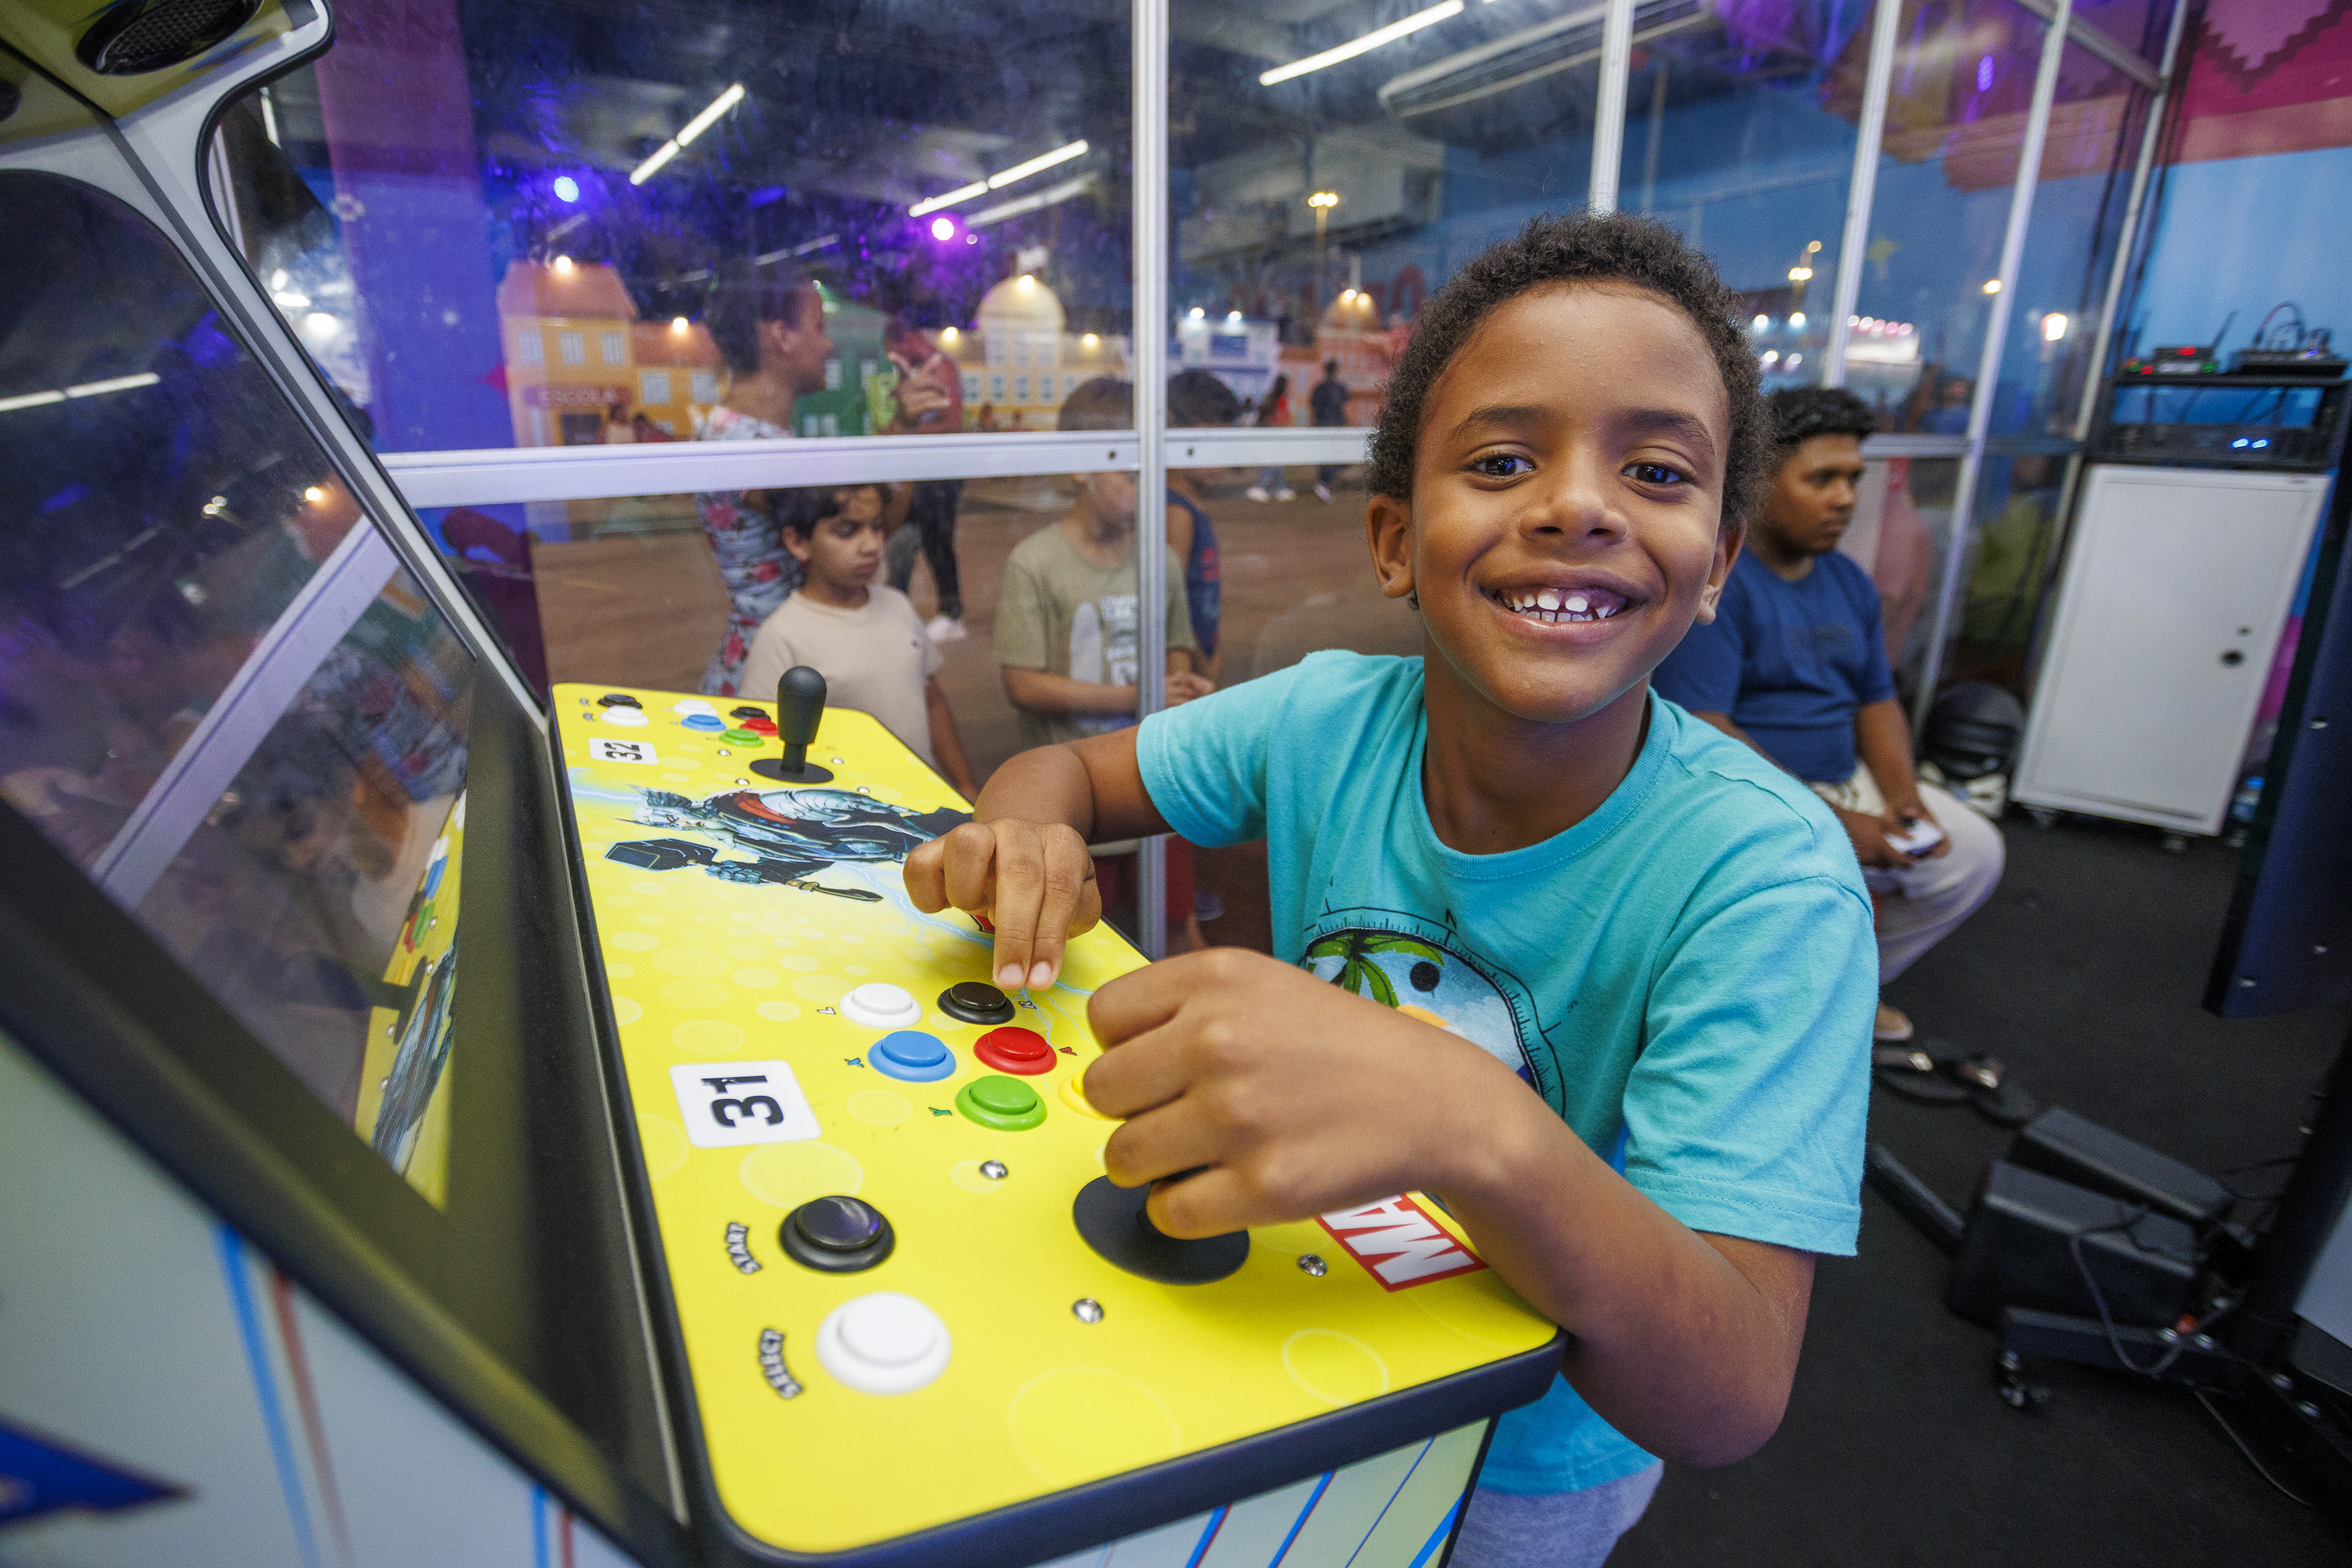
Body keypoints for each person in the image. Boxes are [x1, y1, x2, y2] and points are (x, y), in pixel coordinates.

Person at [911, 213, 1873, 1567]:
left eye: (1656, 469)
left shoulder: (1768, 879)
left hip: (1527, 1460)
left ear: (1714, 565)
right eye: (1499, 460)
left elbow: (1725, 1393)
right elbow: (1064, 774)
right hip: (1293, 1337)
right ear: (1392, 536)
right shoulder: (1324, 718)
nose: (1578, 503)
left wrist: (1475, 1126)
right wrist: (1026, 836)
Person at [1652, 386, 2004, 1046]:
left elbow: (1876, 698)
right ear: (1757, 481)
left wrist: (1903, 802)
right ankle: (1803, 991)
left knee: (1974, 852)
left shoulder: (1848, 580)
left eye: (1852, 479)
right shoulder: (1719, 583)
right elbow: (1704, 729)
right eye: (1822, 479)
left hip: (1846, 780)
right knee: (1810, 874)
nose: (1845, 497)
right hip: (1747, 789)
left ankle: (1843, 987)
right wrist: (1835, 822)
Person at [995, 376, 1216, 951]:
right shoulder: (1035, 563)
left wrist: (1183, 684)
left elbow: (1176, 644)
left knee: (1168, 928)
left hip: (1154, 792)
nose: (1145, 489)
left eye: (1151, 473)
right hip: (1077, 808)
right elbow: (1023, 684)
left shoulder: (1160, 558)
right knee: (1078, 940)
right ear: (1079, 470)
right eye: (1128, 472)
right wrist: (1139, 697)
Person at [740, 485, 978, 800]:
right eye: (846, 532)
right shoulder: (783, 634)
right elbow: (762, 741)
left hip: (922, 798)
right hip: (848, 813)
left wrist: (964, 785)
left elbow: (930, 697)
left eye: (877, 527)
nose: (871, 546)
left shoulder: (898, 605)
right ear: (798, 542)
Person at [693, 257, 834, 697]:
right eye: (819, 327)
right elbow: (843, 532)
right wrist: (903, 433)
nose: (829, 346)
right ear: (782, 336)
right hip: (769, 675)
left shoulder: (744, 432)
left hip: (772, 654)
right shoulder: (744, 443)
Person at [880, 314, 971, 643]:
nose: (896, 359)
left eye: (895, 351)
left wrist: (905, 427)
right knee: (903, 539)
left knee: (937, 542)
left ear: (907, 339)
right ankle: (894, 610)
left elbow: (950, 423)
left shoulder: (940, 367)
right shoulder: (922, 371)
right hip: (923, 473)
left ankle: (952, 614)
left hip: (941, 474)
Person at [1165, 368, 1237, 683]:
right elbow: (1170, 603)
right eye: (1212, 442)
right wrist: (1202, 662)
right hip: (1190, 671)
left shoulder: (1189, 506)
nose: (1222, 457)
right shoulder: (1176, 514)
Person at [1246, 372, 1293, 502]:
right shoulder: (1281, 399)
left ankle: (1279, 488)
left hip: (1269, 434)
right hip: (1277, 434)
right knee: (1273, 464)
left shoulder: (1270, 397)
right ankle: (1263, 487)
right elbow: (1282, 418)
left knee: (1276, 464)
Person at [1310, 356, 1349, 502]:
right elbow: (1345, 408)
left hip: (1321, 425)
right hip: (1336, 426)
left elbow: (1313, 408)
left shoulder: (1319, 387)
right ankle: (1326, 485)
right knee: (1335, 457)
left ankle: (1324, 484)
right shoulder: (1339, 387)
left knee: (1325, 457)